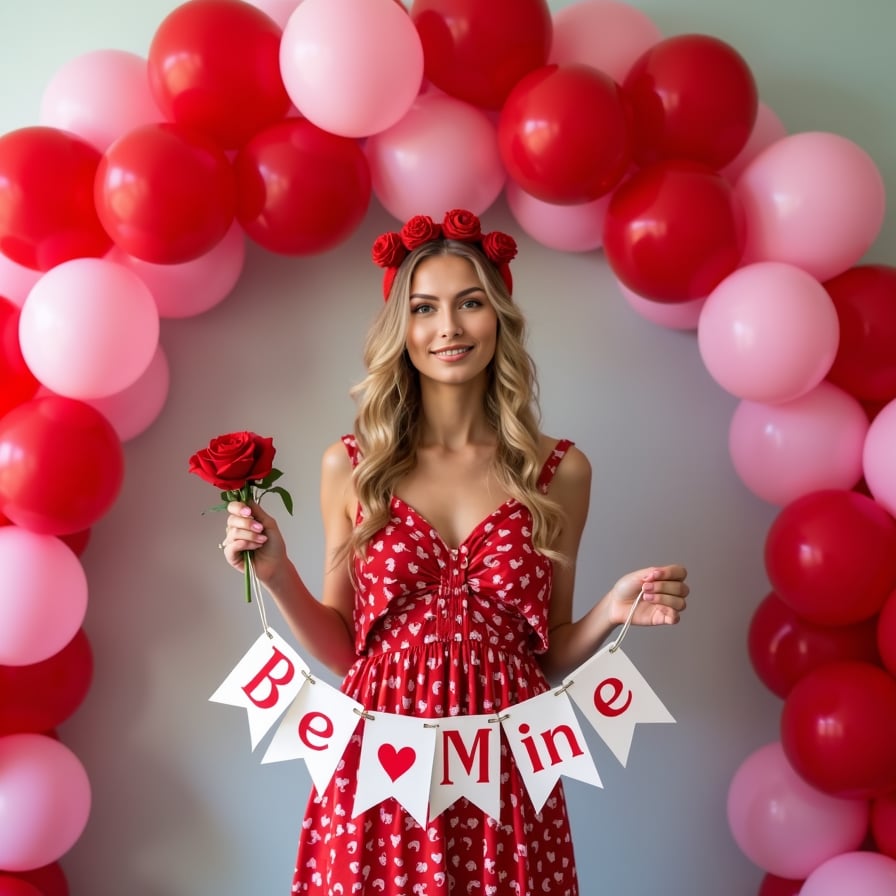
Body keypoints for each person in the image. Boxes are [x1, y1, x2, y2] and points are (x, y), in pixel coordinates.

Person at [219, 208, 689, 895]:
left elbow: (547, 654)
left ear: (498, 317)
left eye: (470, 303)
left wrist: (610, 613)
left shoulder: (559, 471)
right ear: (400, 329)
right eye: (425, 308)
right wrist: (276, 573)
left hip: (504, 765)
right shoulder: (350, 465)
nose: (448, 328)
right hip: (378, 764)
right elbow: (347, 646)